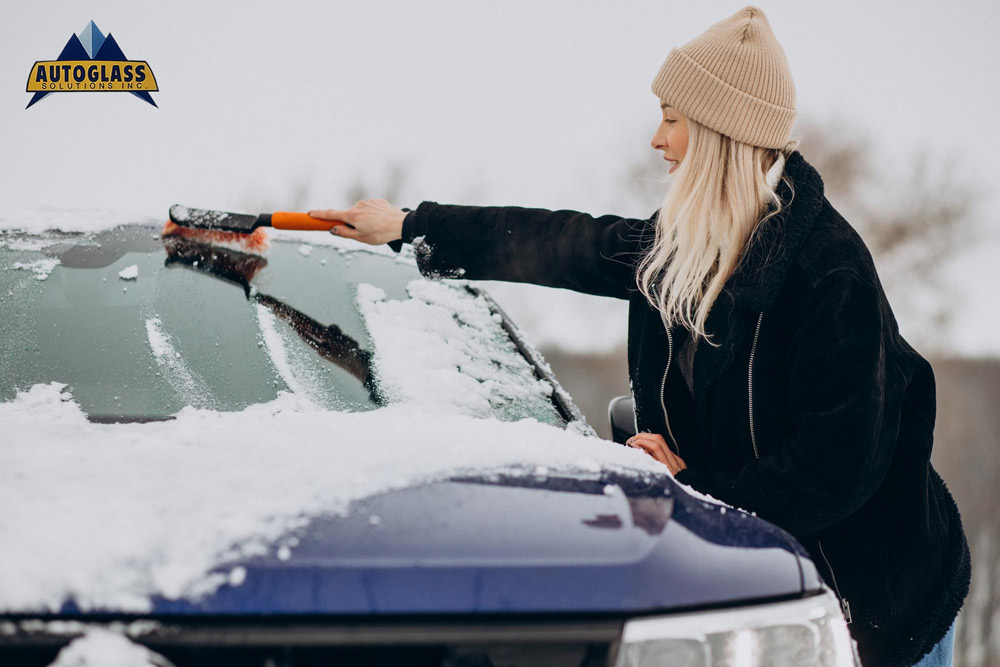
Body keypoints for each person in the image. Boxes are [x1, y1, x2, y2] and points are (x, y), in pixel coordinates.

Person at [308, 6, 970, 666]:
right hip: (765, 590)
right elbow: (564, 243)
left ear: (718, 134)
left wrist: (692, 487)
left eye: (673, 120)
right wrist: (409, 225)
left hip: (880, 599)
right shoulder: (685, 244)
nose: (658, 139)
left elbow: (835, 469)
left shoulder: (829, 275)